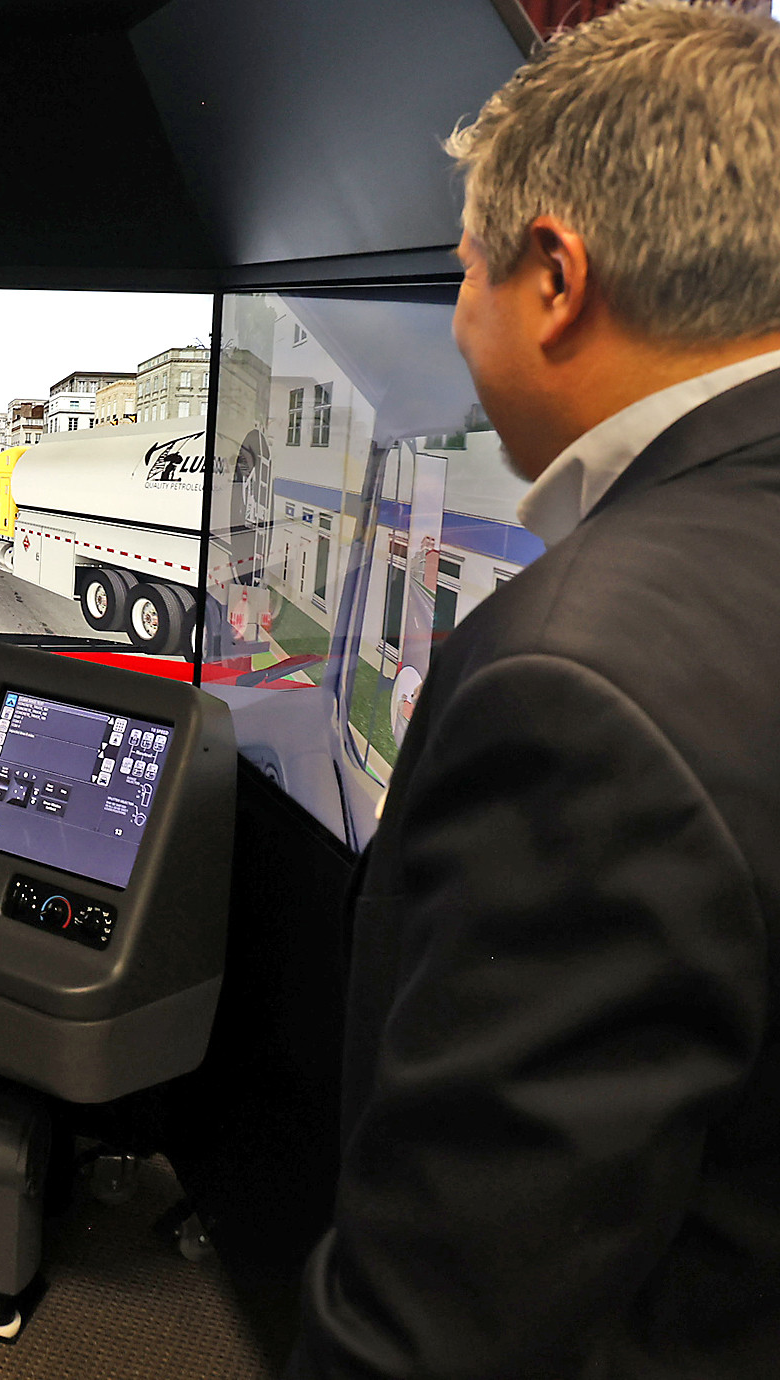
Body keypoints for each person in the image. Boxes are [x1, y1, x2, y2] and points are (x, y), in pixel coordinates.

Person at [291, 3, 780, 1375]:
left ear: (554, 279)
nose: (452, 323)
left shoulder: (576, 681)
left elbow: (442, 1322)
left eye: (462, 274)